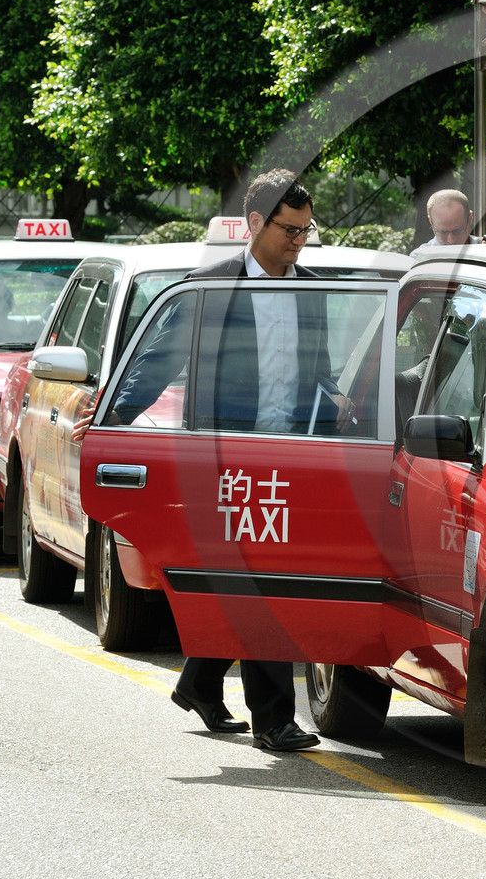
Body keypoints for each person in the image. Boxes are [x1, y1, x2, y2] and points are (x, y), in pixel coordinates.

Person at [76, 169, 336, 753]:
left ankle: (199, 681)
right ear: (255, 224)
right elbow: (159, 361)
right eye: (289, 230)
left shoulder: (313, 291)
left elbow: (316, 369)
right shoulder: (209, 289)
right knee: (265, 584)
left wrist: (336, 398)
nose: (299, 241)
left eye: (306, 229)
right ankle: (274, 719)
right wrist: (112, 419)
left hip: (292, 458)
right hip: (228, 460)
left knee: (252, 584)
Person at [410, 189, 486, 257]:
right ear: (431, 222)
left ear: (470, 218)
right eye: (443, 232)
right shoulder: (419, 258)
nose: (451, 240)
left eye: (457, 231)